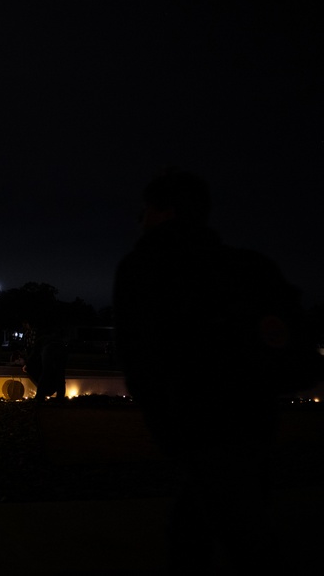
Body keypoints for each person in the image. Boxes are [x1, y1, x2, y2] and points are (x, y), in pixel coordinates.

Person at [113, 167, 322, 573]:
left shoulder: (147, 267)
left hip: (195, 425)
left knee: (236, 536)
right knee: (213, 522)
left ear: (162, 211)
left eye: (144, 210)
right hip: (251, 421)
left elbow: (140, 357)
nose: (140, 220)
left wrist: (167, 423)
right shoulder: (249, 268)